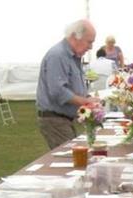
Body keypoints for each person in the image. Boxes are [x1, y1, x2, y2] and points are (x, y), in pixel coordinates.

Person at [36, 19, 99, 149]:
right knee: (69, 160)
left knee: (73, 158)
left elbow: (73, 87)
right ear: (75, 36)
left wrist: (87, 98)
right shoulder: (58, 55)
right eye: (89, 41)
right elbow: (58, 91)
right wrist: (86, 102)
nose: (91, 47)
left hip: (63, 120)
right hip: (55, 121)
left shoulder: (72, 56)